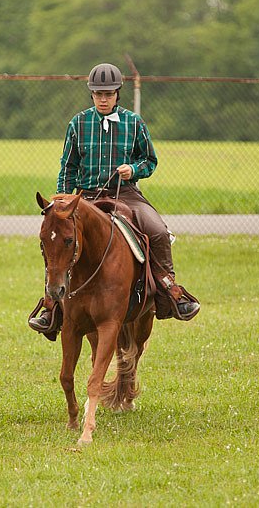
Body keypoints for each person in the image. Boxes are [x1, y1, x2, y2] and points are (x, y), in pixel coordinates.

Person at [29, 62, 200, 335]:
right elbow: (68, 167)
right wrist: (62, 201)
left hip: (127, 195)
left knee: (156, 230)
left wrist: (133, 169)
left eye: (108, 93)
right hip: (86, 198)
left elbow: (150, 160)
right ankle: (52, 307)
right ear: (92, 94)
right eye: (98, 94)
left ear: (118, 93)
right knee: (58, 238)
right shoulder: (78, 123)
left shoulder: (134, 123)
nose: (104, 99)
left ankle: (171, 291)